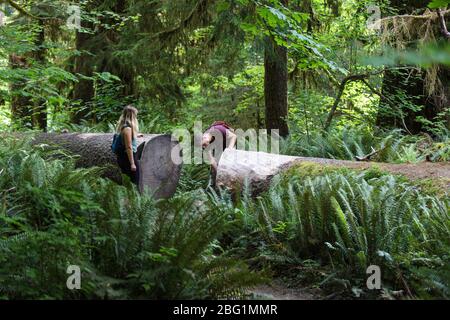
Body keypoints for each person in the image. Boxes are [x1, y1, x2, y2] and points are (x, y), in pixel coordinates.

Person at [202, 121, 237, 186]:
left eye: (206, 144)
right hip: (219, 146)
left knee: (230, 164)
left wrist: (229, 150)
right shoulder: (205, 144)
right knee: (216, 167)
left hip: (229, 141)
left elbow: (234, 136)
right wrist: (219, 173)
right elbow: (212, 161)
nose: (206, 146)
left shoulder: (219, 129)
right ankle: (216, 187)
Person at [115, 105, 143, 185]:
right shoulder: (127, 129)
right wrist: (132, 163)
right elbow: (128, 147)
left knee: (128, 182)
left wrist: (136, 135)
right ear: (132, 116)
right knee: (134, 182)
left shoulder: (124, 127)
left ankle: (128, 197)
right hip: (127, 158)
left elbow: (126, 137)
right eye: (135, 115)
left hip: (123, 157)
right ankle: (131, 198)